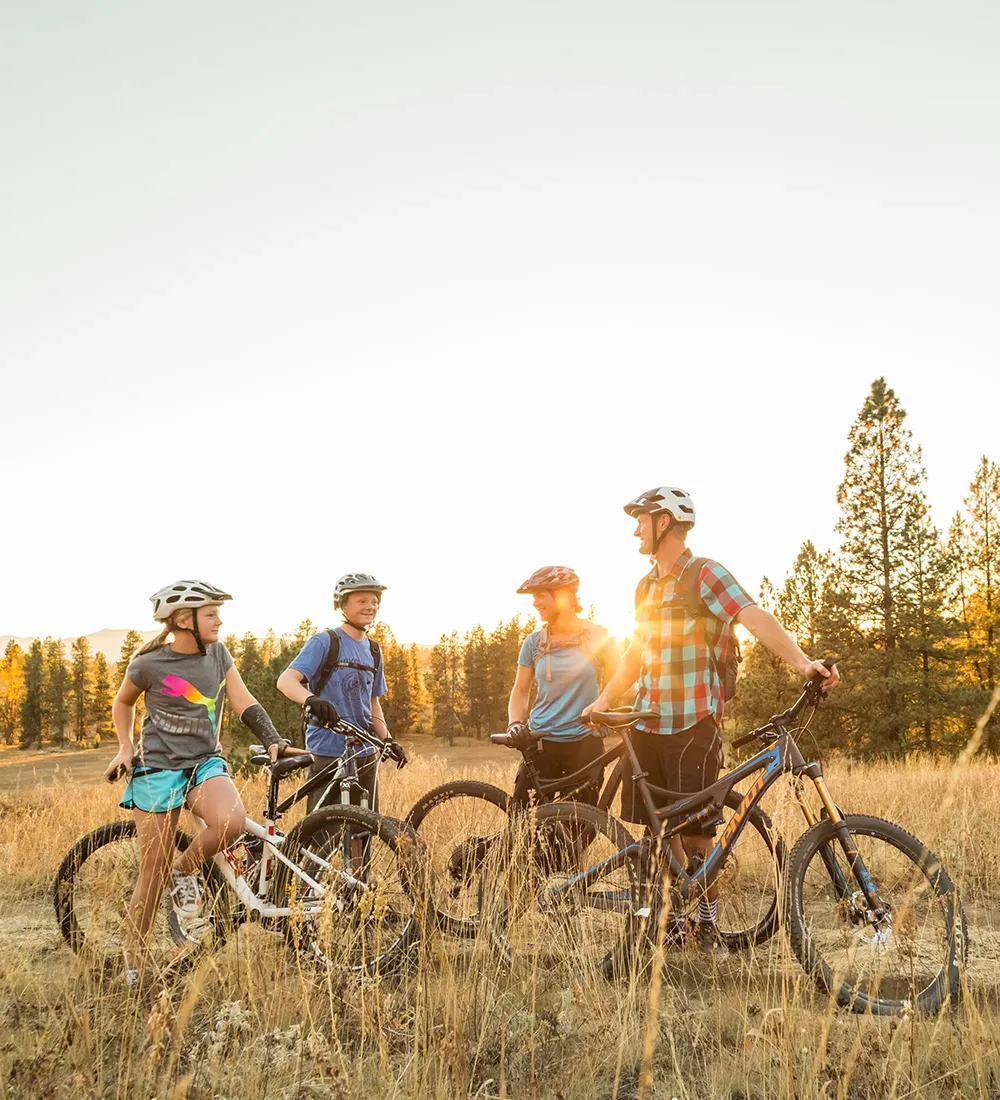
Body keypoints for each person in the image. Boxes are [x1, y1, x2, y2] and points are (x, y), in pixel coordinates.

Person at [582, 487, 839, 949]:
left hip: (693, 722)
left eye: (642, 519)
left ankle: (705, 925)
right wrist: (603, 699)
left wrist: (803, 663)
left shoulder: (705, 574)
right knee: (662, 832)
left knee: (700, 836)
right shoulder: (645, 586)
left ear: (664, 523)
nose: (635, 528)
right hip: (646, 723)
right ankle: (675, 921)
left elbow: (753, 615)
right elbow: (635, 652)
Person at [107, 579, 304, 988]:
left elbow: (243, 699)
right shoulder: (148, 664)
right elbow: (122, 702)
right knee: (151, 869)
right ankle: (135, 966)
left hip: (203, 762)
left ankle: (185, 871)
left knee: (230, 821)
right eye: (210, 613)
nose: (219, 620)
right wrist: (125, 748)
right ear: (182, 620)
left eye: (218, 612)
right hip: (158, 768)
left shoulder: (217, 654)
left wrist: (271, 737)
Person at [276, 572, 407, 813]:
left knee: (363, 827)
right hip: (328, 750)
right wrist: (311, 699)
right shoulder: (325, 641)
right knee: (322, 832)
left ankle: (357, 853)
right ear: (342, 605)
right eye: (362, 601)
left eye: (374, 601)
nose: (370, 606)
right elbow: (286, 681)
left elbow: (372, 702)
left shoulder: (374, 650)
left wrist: (387, 739)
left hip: (365, 751)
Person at [507, 566, 619, 808]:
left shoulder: (598, 636)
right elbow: (520, 689)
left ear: (562, 596)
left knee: (580, 826)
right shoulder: (534, 642)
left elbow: (620, 680)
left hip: (585, 745)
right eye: (533, 597)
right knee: (522, 822)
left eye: (540, 595)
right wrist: (515, 723)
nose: (535, 603)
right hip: (540, 743)